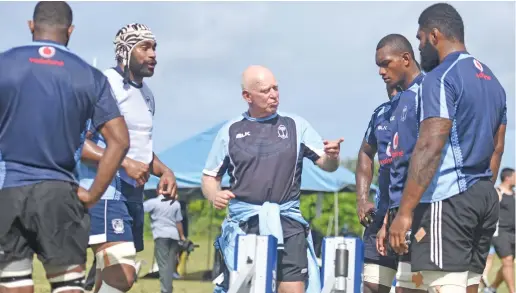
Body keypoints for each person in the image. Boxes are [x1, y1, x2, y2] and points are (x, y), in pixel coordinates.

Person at [0, 1, 130, 293]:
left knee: (13, 282)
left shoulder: (5, 64)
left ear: (31, 26)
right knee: (68, 285)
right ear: (70, 31)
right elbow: (120, 141)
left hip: (8, 190)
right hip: (61, 193)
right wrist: (94, 193)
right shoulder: (89, 76)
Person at [389, 3, 507, 293]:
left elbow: (430, 145)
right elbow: (498, 149)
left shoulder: (440, 77)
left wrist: (405, 212)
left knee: (442, 286)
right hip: (484, 198)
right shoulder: (494, 81)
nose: (418, 47)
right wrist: (478, 191)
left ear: (434, 35)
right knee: (468, 286)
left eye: (419, 38)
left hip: (450, 200)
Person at [201, 65, 343, 293]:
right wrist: (214, 195)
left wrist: (333, 156)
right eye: (266, 91)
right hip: (246, 224)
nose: (274, 95)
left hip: (288, 221)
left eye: (276, 88)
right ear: (247, 96)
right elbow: (209, 177)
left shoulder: (296, 125)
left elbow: (327, 165)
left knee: (293, 289)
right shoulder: (230, 131)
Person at [77, 23, 178, 293]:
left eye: (154, 47)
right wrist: (123, 162)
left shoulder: (147, 95)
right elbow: (77, 142)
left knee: (107, 279)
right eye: (144, 47)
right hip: (105, 193)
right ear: (125, 51)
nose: (153, 54)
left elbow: (139, 149)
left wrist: (165, 170)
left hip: (133, 195)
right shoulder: (103, 85)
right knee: (122, 274)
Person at [372, 34, 426, 293]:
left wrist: (406, 213)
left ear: (406, 58)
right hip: (399, 209)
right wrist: (389, 217)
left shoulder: (429, 92)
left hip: (425, 209)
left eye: (385, 63)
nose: (381, 72)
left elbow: (426, 157)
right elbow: (397, 166)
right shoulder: (400, 101)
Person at [356, 83, 399, 293]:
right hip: (381, 214)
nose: (385, 77)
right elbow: (365, 152)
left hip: (415, 214)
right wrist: (362, 198)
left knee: (414, 287)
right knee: (371, 286)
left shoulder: (425, 109)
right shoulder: (380, 113)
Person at [144, 197, 186, 293]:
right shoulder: (176, 204)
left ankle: (166, 290)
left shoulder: (153, 202)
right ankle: (168, 288)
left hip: (161, 236)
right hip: (174, 236)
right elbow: (178, 221)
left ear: (158, 189)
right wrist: (182, 236)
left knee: (163, 265)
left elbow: (138, 208)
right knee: (170, 265)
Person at [484, 168, 515, 293]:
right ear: (508, 178)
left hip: (513, 233)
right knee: (507, 261)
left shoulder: (513, 194)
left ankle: (492, 288)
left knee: (509, 263)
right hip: (500, 233)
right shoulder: (497, 192)